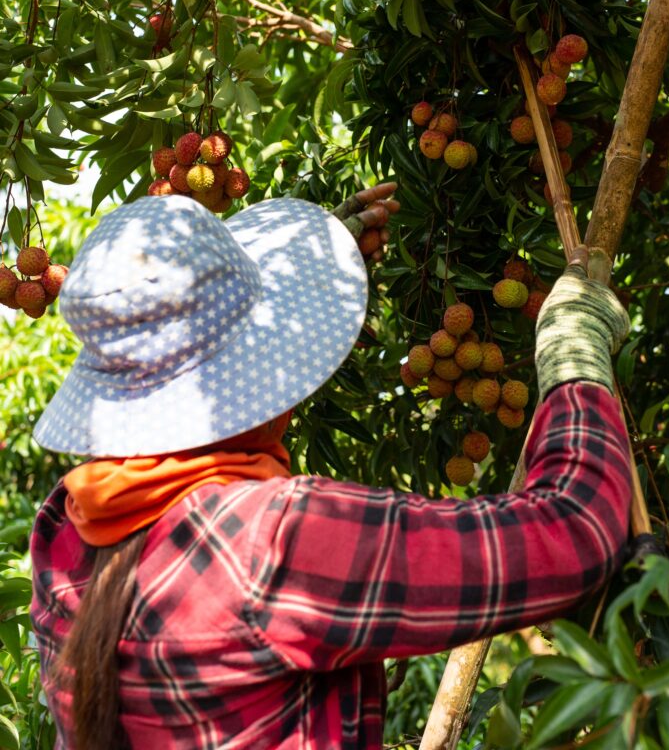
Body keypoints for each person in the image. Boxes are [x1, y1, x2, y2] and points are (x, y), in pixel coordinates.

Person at [29, 184, 632, 750]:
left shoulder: (65, 529)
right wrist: (572, 355)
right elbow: (573, 529)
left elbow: (219, 431)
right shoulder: (279, 543)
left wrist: (308, 285)